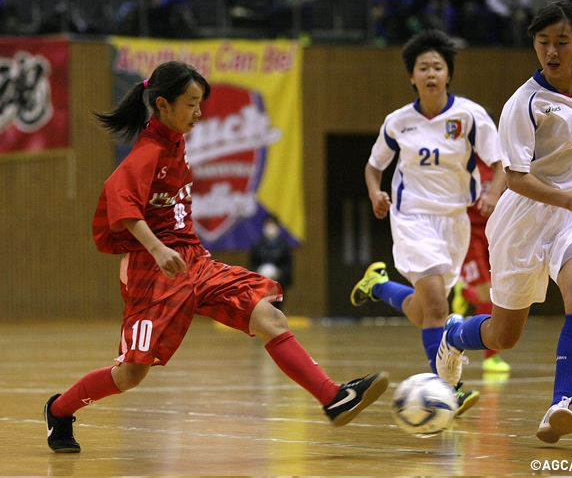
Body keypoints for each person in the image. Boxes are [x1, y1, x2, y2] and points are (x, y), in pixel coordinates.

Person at [42, 61, 389, 453]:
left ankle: (333, 396)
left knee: (269, 316)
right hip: (153, 268)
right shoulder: (147, 152)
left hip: (194, 260)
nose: (199, 112)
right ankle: (59, 409)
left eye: (200, 103)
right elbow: (121, 206)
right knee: (132, 372)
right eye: (191, 104)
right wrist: (157, 249)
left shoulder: (176, 140)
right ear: (163, 105)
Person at [436, 1, 572, 444]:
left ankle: (559, 405)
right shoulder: (523, 104)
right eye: (543, 42)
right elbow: (517, 179)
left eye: (561, 42)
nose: (551, 51)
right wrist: (569, 198)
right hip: (524, 217)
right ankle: (454, 334)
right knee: (503, 336)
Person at [350, 29, 506, 415]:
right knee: (437, 305)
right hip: (412, 217)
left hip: (455, 221)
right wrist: (375, 193)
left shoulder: (470, 116)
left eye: (438, 66)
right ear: (412, 76)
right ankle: (446, 389)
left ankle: (380, 286)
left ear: (448, 73)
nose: (431, 73)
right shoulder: (399, 122)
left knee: (425, 310)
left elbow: (501, 165)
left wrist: (493, 194)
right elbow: (373, 168)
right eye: (424, 67)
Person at [451, 157, 510, 373]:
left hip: (496, 232)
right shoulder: (461, 159)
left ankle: (466, 291)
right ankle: (491, 357)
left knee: (498, 293)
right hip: (469, 233)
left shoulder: (502, 162)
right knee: (487, 295)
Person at [249, 213, 293, 309]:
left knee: (277, 307)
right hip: (261, 281)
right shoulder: (258, 245)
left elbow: (288, 264)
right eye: (268, 224)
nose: (270, 227)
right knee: (262, 306)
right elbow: (252, 263)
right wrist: (258, 272)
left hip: (279, 281)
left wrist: (279, 273)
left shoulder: (284, 245)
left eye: (272, 224)